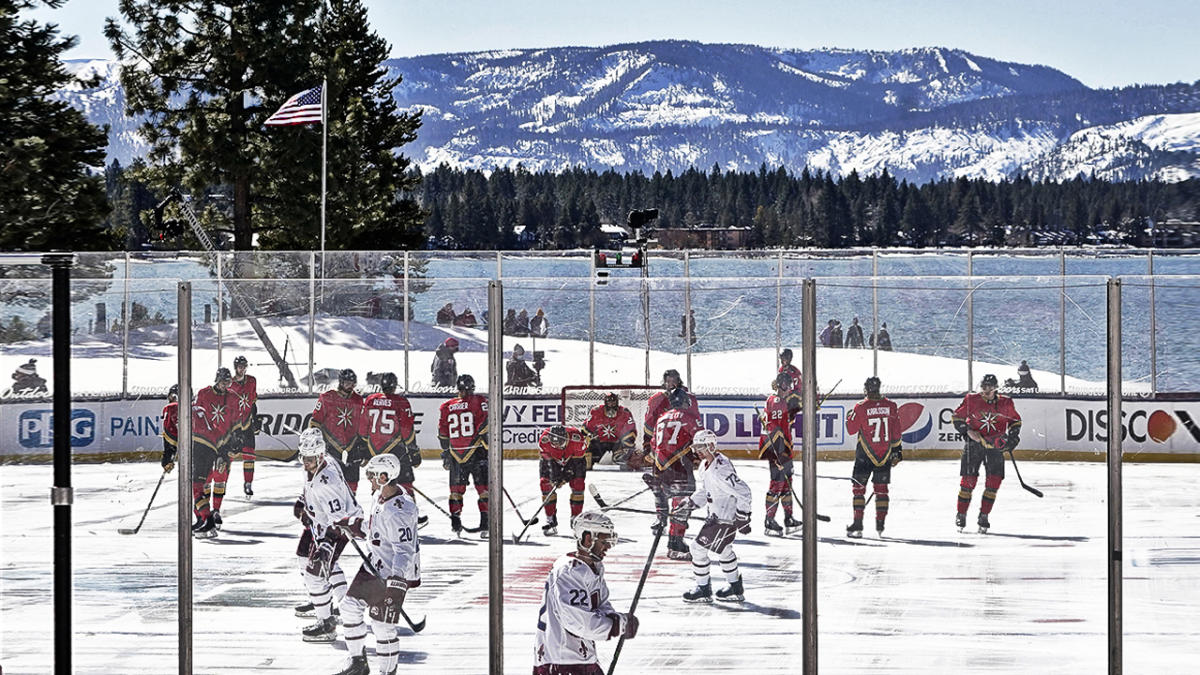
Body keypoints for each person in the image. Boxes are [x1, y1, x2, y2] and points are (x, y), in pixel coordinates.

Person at [333, 453, 422, 675]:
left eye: (373, 475)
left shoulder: (400, 510)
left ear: (385, 476)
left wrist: (396, 582)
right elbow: (375, 530)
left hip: (395, 572)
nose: (369, 479)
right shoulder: (379, 496)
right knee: (349, 607)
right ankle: (358, 663)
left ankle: (387, 672)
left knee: (382, 624)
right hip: (376, 562)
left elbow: (404, 551)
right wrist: (352, 525)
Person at [533, 511, 637, 675]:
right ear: (588, 539)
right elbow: (580, 623)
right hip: (562, 662)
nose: (608, 546)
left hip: (581, 658)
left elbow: (602, 605)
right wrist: (619, 625)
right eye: (604, 541)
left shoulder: (594, 567)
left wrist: (616, 619)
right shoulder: (568, 572)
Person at [294, 428, 363, 643]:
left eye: (310, 459)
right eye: (304, 458)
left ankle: (327, 624)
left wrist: (325, 545)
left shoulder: (328, 481)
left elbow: (338, 521)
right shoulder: (319, 462)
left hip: (338, 528)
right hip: (321, 521)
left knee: (316, 573)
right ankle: (329, 603)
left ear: (321, 456)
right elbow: (309, 487)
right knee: (304, 558)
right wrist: (302, 503)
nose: (306, 462)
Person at [683, 429, 752, 603]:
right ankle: (735, 588)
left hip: (724, 521)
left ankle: (703, 590)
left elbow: (744, 492)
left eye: (702, 447)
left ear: (712, 446)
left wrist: (743, 516)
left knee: (697, 549)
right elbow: (706, 491)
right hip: (716, 517)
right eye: (696, 447)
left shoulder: (720, 470)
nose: (698, 451)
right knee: (725, 551)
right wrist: (691, 503)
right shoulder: (705, 466)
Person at [952, 374, 1022, 533]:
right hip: (974, 445)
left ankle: (984, 515)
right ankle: (961, 514)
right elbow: (957, 418)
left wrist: (1013, 438)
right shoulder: (971, 399)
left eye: (990, 387)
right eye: (984, 387)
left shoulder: (1006, 402)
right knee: (968, 482)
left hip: (995, 448)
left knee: (994, 483)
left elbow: (1015, 422)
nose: (986, 391)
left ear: (996, 388)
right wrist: (968, 431)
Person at [647, 387, 705, 560]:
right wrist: (699, 457)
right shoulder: (689, 417)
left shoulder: (661, 418)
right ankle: (675, 543)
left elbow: (653, 444)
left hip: (659, 466)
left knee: (668, 500)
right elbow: (700, 438)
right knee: (682, 505)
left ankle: (661, 519)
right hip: (679, 466)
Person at [844, 376, 902, 537]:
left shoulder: (861, 407)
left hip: (864, 454)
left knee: (858, 489)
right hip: (884, 454)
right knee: (882, 490)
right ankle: (880, 525)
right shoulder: (891, 406)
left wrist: (850, 416)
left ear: (866, 389)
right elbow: (896, 432)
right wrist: (898, 452)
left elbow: (851, 429)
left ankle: (858, 524)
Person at [438, 374, 490, 535]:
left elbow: (443, 433)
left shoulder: (447, 406)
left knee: (455, 490)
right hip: (476, 451)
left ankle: (456, 522)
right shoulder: (480, 401)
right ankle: (485, 523)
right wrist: (488, 445)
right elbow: (485, 426)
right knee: (484, 489)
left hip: (456, 453)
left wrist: (446, 453)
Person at [190, 368, 239, 538]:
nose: (226, 385)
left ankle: (215, 511)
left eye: (228, 382)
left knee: (220, 476)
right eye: (223, 381)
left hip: (223, 444)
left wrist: (235, 441)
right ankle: (201, 517)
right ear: (217, 380)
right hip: (205, 443)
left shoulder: (233, 397)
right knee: (202, 481)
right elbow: (196, 416)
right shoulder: (203, 394)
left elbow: (235, 422)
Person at [358, 372, 421, 498]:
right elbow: (407, 432)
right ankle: (409, 514)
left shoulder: (371, 400)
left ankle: (378, 513)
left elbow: (363, 429)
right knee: (405, 484)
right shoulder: (401, 402)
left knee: (379, 485)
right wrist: (414, 453)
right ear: (394, 386)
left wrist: (364, 450)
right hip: (396, 451)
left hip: (375, 452)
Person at [310, 369, 367, 493]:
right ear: (341, 382)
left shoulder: (358, 400)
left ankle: (351, 500)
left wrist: (363, 443)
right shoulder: (327, 398)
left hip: (353, 443)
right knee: (331, 476)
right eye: (347, 383)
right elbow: (315, 421)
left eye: (353, 384)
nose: (350, 387)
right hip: (330, 444)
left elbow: (361, 423)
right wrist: (317, 440)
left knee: (352, 477)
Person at [760, 373, 801, 536]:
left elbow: (784, 420)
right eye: (786, 384)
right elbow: (774, 430)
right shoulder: (777, 401)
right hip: (778, 448)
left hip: (782, 448)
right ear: (780, 385)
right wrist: (777, 455)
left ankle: (789, 518)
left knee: (785, 483)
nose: (789, 388)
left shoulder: (777, 401)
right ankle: (769, 521)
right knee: (777, 483)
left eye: (790, 384)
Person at [537, 424, 590, 536]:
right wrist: (555, 476)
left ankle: (576, 519)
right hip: (551, 461)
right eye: (554, 444)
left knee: (578, 485)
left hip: (574, 460)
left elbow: (578, 461)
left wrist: (567, 475)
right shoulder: (544, 441)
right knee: (545, 485)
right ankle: (550, 519)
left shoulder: (577, 439)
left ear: (566, 438)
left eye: (560, 444)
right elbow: (548, 461)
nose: (558, 447)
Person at [639, 369, 700, 464]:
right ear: (664, 383)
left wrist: (697, 450)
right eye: (668, 382)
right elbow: (649, 426)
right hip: (663, 445)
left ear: (679, 382)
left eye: (674, 381)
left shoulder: (690, 398)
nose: (671, 385)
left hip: (684, 446)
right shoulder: (657, 400)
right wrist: (648, 448)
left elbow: (696, 427)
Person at [228, 355, 259, 498]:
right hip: (233, 427)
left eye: (244, 366)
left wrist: (256, 419)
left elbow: (252, 403)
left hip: (247, 424)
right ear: (236, 368)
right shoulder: (229, 384)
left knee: (249, 454)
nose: (243, 369)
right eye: (240, 366)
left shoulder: (252, 381)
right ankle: (221, 483)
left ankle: (248, 484)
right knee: (229, 456)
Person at [584, 392, 637, 467]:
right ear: (605, 402)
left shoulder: (625, 412)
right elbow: (585, 428)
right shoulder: (596, 411)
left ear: (617, 402)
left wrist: (627, 445)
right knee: (586, 463)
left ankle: (623, 458)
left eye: (613, 402)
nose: (611, 404)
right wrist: (589, 438)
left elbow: (631, 430)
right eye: (609, 402)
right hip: (599, 443)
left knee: (625, 460)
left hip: (618, 443)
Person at [160, 384, 179, 473]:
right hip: (175, 436)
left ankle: (167, 462)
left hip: (170, 435)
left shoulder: (170, 407)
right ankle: (167, 462)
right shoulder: (174, 407)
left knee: (168, 451)